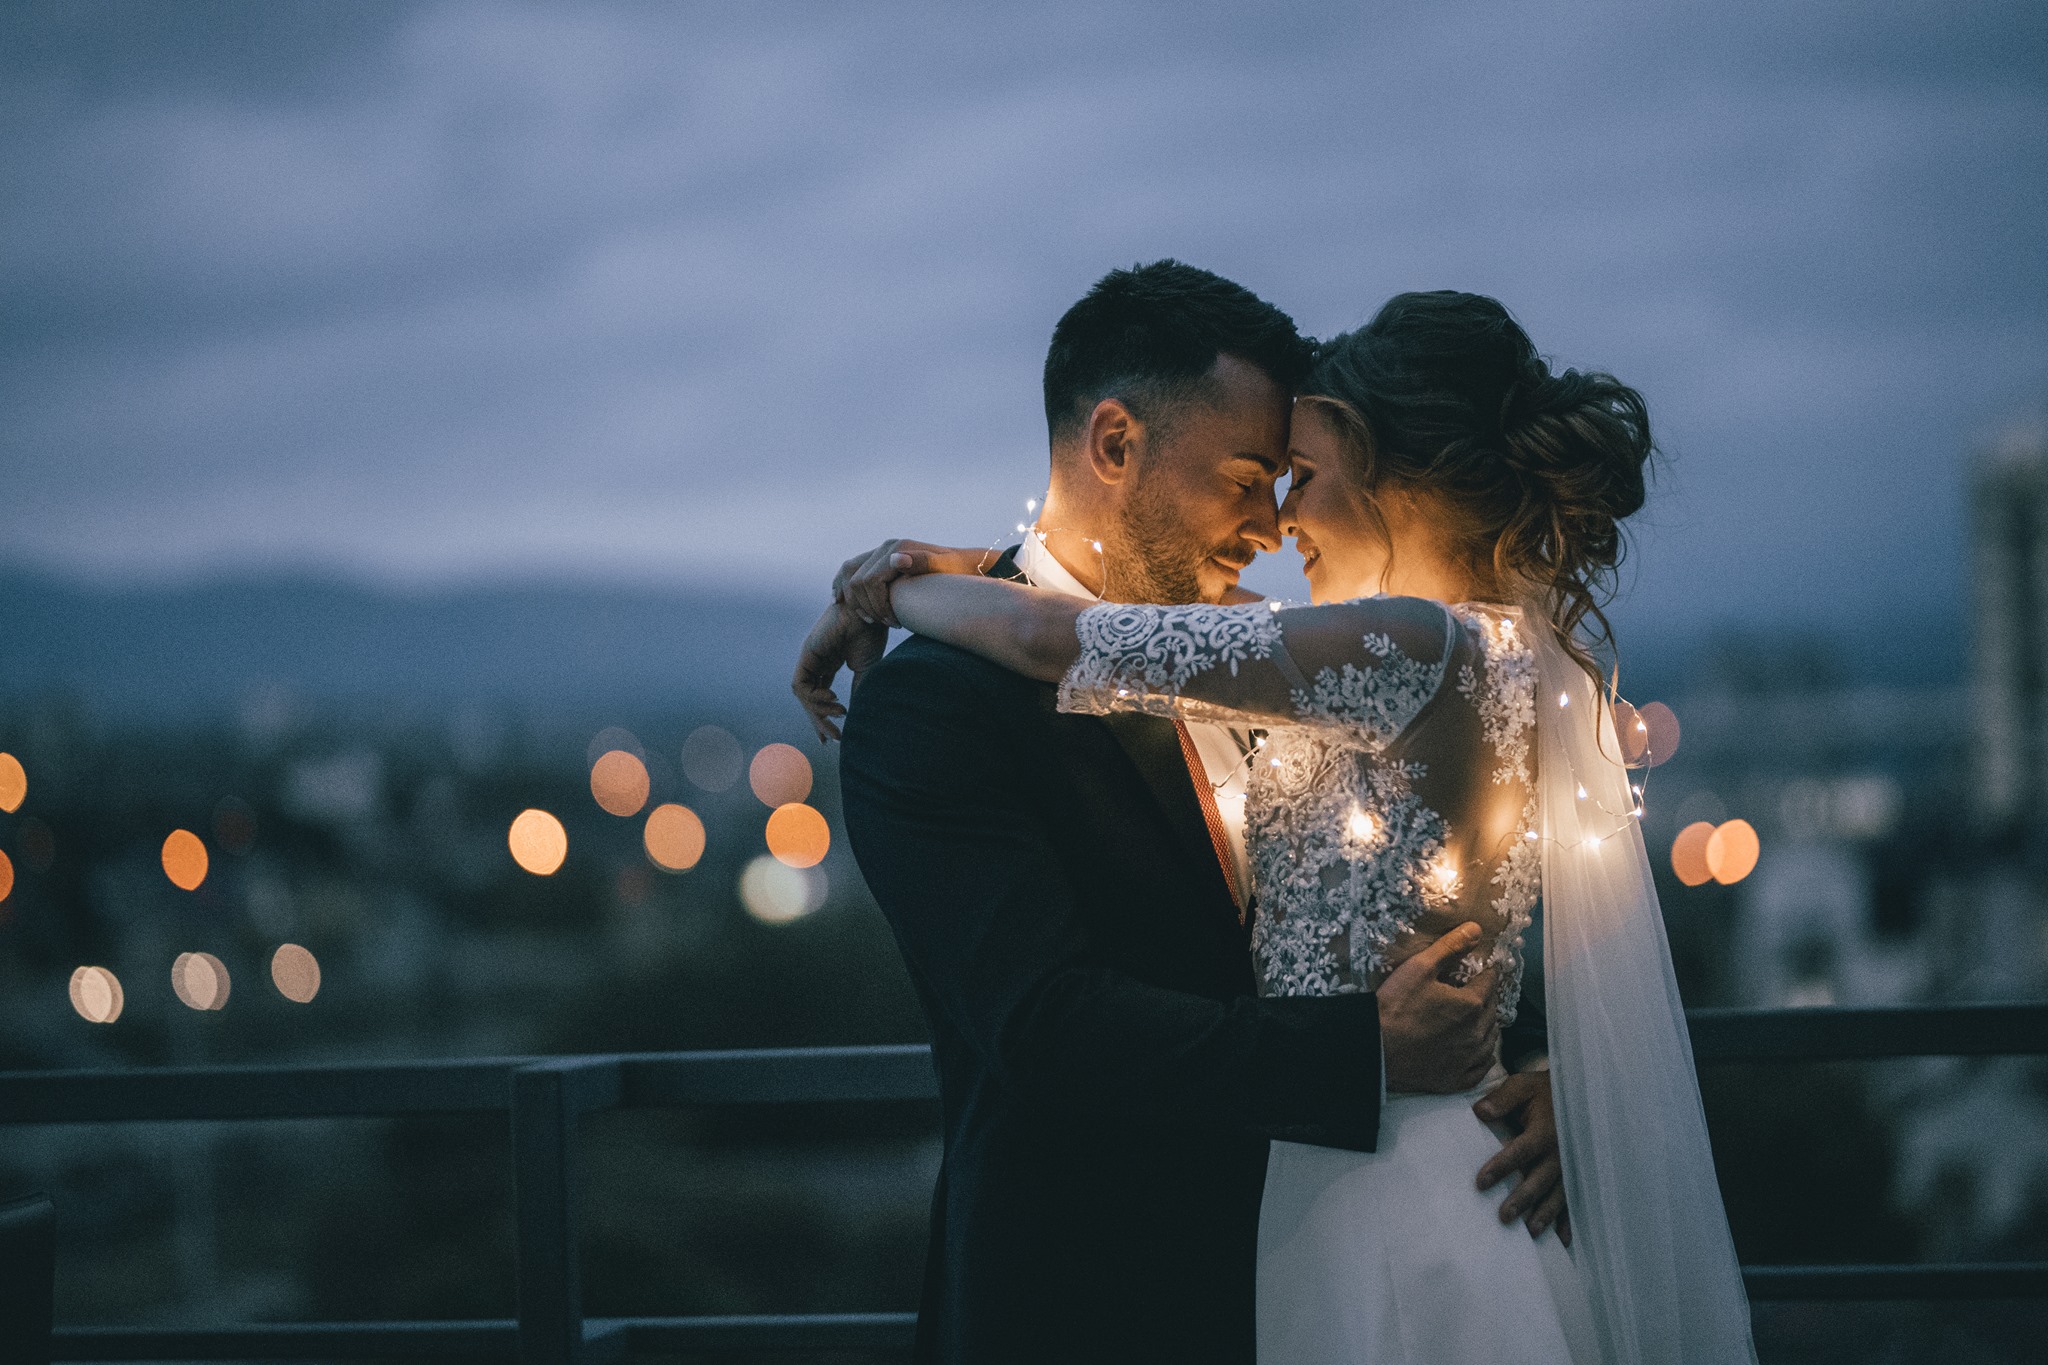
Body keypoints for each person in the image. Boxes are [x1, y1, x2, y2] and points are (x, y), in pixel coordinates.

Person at [801, 284, 1757, 1362]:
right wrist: (1353, 1058)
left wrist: (1542, 1078)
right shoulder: (935, 706)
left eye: (1292, 481)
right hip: (1098, 1303)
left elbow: (1444, 906)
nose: (1271, 527)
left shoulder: (1326, 655)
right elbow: (1041, 1024)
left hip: (1368, 1232)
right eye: (1250, 480)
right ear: (1114, 441)